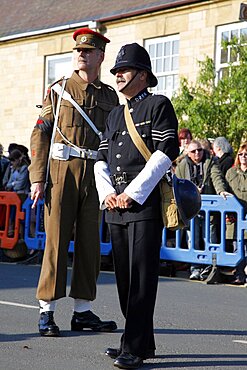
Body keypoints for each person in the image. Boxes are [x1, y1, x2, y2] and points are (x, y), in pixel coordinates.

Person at [28, 28, 119, 337]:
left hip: (95, 173)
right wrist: (37, 177)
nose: (82, 54)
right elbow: (40, 132)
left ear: (100, 57)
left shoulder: (109, 96)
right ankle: (47, 310)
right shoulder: (59, 89)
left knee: (90, 244)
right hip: (61, 171)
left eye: (88, 51)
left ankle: (82, 310)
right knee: (55, 240)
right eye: (78, 50)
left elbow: (115, 139)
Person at [94, 43, 179, 369]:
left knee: (142, 278)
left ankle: (133, 346)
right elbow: (101, 158)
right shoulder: (115, 114)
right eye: (115, 71)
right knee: (125, 280)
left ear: (143, 76)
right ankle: (143, 342)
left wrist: (133, 192)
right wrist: (108, 195)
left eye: (124, 70)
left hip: (143, 205)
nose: (117, 75)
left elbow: (166, 151)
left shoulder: (159, 105)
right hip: (116, 206)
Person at [175, 139, 231, 280]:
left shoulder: (210, 162)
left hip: (209, 210)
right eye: (193, 151)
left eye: (199, 150)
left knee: (210, 239)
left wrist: (221, 191)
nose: (197, 153)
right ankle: (195, 268)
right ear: (188, 152)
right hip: (190, 210)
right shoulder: (182, 165)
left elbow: (217, 178)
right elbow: (177, 183)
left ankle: (209, 268)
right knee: (192, 239)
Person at [225, 142, 247, 284]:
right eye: (241, 154)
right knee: (237, 247)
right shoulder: (231, 172)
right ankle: (239, 274)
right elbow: (225, 191)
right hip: (236, 216)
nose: (244, 157)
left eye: (246, 155)